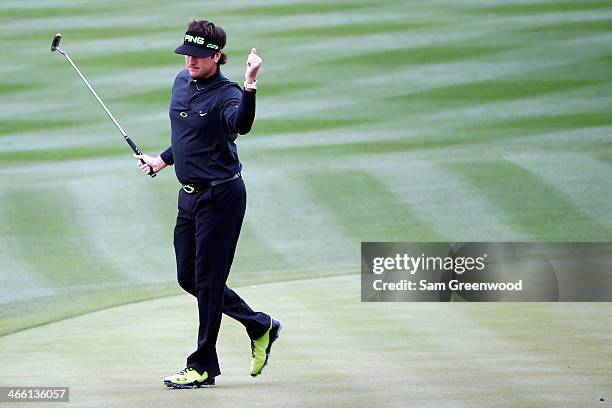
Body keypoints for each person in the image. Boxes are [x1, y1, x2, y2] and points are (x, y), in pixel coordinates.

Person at [134, 19, 282, 389]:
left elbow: (241, 125)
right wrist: (162, 161)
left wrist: (250, 84)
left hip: (222, 196)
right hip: (189, 196)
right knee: (190, 277)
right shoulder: (181, 82)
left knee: (210, 280)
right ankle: (259, 324)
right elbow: (186, 137)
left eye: (199, 56)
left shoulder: (227, 94)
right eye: (187, 54)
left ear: (217, 56)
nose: (191, 62)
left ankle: (201, 365)